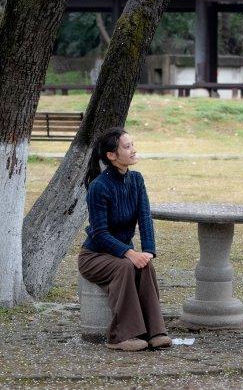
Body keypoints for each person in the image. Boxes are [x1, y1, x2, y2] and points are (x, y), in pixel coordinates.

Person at [78, 128, 172, 352]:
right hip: (94, 256)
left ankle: (155, 332)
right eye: (127, 146)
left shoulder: (136, 180)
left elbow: (145, 218)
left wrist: (148, 250)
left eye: (133, 145)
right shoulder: (99, 187)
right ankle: (120, 336)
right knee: (125, 267)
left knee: (144, 265)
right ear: (112, 155)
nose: (133, 150)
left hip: (120, 253)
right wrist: (129, 253)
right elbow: (100, 234)